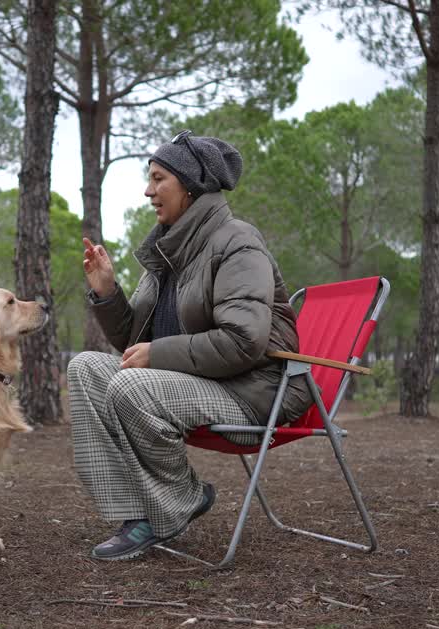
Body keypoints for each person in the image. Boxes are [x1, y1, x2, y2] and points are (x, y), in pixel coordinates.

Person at [67, 130, 312, 561]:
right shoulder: (169, 250)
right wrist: (107, 294)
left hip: (252, 389)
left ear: (191, 185)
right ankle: (138, 514)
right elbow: (134, 344)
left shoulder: (237, 242)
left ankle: (181, 497)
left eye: (159, 178)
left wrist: (157, 356)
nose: (148, 191)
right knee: (86, 368)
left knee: (131, 385)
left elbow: (244, 340)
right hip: (195, 382)